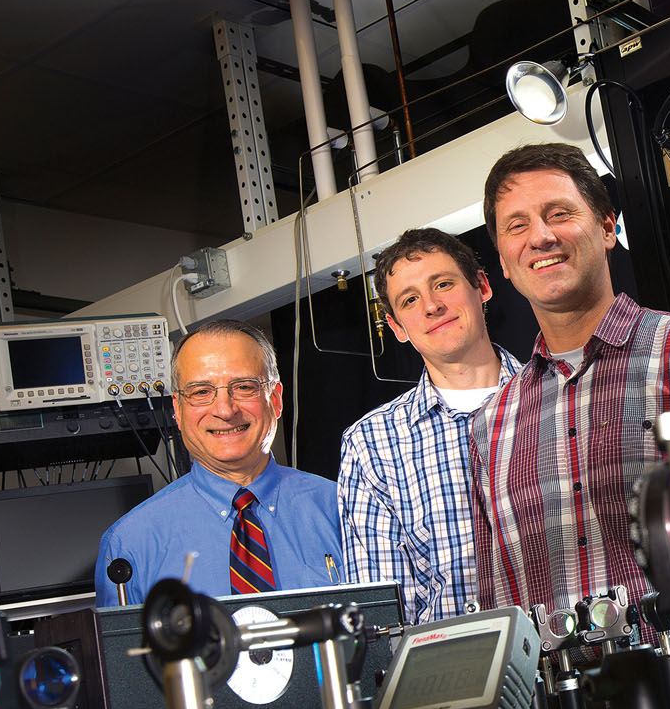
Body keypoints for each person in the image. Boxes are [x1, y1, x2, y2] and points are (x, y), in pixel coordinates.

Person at [469, 143, 670, 632]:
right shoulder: (491, 423)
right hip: (567, 705)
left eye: (559, 214)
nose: (541, 236)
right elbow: (496, 603)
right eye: (518, 225)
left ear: (607, 227)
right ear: (505, 264)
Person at [339, 228, 521, 624]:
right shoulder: (371, 445)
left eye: (443, 284)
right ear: (398, 327)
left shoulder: (556, 395)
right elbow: (383, 621)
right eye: (410, 299)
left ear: (482, 286)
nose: (431, 306)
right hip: (455, 677)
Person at [95, 319, 341, 606]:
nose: (225, 410)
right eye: (201, 392)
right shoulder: (129, 545)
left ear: (275, 399)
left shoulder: (344, 510)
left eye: (244, 387)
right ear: (177, 408)